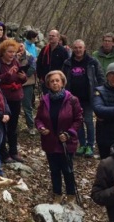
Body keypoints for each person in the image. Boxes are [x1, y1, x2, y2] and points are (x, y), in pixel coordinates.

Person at [35, 70, 83, 204]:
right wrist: (41, 128)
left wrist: (69, 133)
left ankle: (71, 195)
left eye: (57, 80)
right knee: (54, 170)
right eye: (52, 81)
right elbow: (38, 119)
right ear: (48, 85)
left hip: (66, 142)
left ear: (62, 83)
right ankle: (57, 194)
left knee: (68, 169)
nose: (55, 83)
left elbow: (78, 119)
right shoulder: (44, 100)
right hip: (50, 141)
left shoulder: (72, 100)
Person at [62, 39, 105, 158]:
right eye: (75, 48)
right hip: (73, 98)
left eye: (80, 47)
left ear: (84, 48)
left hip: (89, 97)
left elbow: (101, 78)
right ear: (72, 48)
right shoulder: (68, 62)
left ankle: (90, 146)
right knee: (78, 122)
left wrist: (100, 92)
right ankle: (82, 144)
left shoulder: (92, 61)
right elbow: (63, 78)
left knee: (88, 121)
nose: (78, 50)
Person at [0, 39, 27, 163]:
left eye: (14, 52)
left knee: (13, 126)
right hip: (2, 99)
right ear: (3, 52)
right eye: (9, 52)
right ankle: (3, 153)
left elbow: (21, 80)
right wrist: (7, 75)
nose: (12, 54)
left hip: (16, 98)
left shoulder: (16, 62)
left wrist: (23, 78)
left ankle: (14, 152)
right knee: (2, 126)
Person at [36, 30, 69, 94]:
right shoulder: (44, 49)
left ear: (58, 38)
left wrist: (62, 79)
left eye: (53, 36)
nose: (51, 37)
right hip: (46, 82)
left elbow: (67, 66)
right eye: (50, 36)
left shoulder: (63, 51)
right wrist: (40, 77)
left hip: (57, 82)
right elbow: (39, 63)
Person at [17, 43, 37, 135]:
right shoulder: (13, 56)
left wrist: (25, 75)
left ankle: (31, 126)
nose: (19, 48)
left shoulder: (30, 57)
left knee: (27, 106)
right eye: (18, 46)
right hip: (15, 84)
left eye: (21, 46)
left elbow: (33, 67)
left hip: (27, 84)